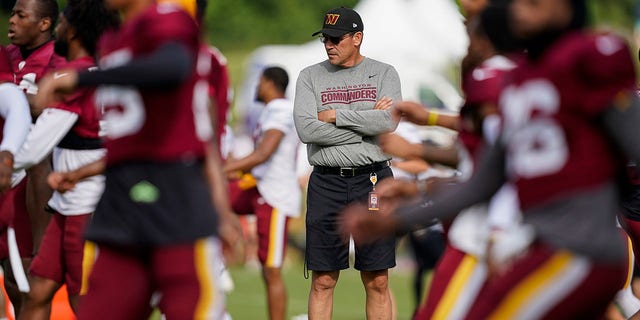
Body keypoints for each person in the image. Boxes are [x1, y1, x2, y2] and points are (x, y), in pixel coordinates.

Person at [344, 0, 640, 318]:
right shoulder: (519, 80)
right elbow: (484, 180)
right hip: (542, 245)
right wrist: (397, 219)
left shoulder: (592, 56)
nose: (520, 12)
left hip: (581, 248)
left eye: (534, 4)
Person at [34, 0, 241, 318]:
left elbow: (173, 67)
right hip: (121, 201)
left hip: (173, 199)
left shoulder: (167, 18)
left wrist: (83, 78)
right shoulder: (115, 38)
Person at [9, 0, 119, 318]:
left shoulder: (75, 78)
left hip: (86, 206)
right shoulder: (97, 72)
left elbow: (33, 148)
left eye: (62, 23)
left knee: (82, 300)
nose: (58, 27)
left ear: (74, 30)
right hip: (65, 204)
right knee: (38, 291)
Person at [293, 6, 400, 319]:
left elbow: (389, 123)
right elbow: (306, 129)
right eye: (326, 38)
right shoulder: (310, 76)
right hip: (326, 181)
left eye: (337, 39)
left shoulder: (384, 73)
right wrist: (367, 130)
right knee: (324, 279)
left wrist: (337, 116)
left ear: (357, 38)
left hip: (375, 180)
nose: (329, 44)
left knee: (377, 278)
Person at [224, 66, 301, 320]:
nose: (257, 87)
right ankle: (214, 261)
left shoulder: (281, 110)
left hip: (275, 196)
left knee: (271, 270)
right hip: (259, 187)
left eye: (260, 82)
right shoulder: (272, 110)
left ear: (269, 83)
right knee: (213, 198)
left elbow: (264, 153)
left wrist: (223, 169)